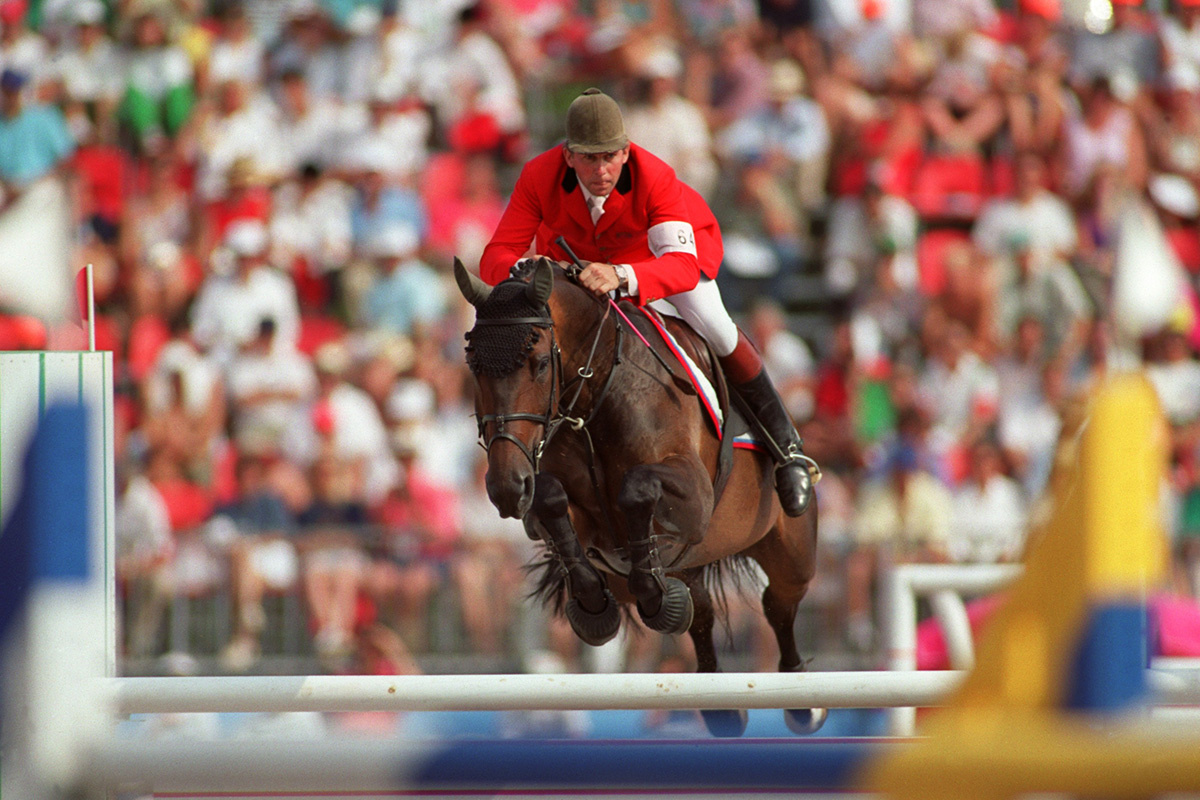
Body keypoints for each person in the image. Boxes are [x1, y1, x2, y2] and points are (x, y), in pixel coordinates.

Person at [479, 87, 814, 517]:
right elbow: (495, 257)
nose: (601, 170)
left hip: (660, 260)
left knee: (714, 323)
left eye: (610, 157)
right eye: (589, 158)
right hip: (576, 267)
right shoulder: (537, 176)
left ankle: (786, 446)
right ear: (568, 156)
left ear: (625, 152)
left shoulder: (653, 175)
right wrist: (526, 267)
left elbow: (680, 267)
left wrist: (621, 275)